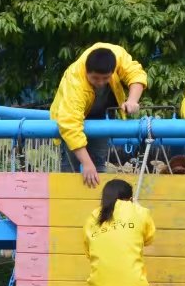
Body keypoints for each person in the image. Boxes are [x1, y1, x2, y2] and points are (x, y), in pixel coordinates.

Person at [50, 43, 148, 188]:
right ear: (86, 71)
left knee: (99, 164)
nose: (101, 82)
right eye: (95, 78)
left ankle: (99, 199)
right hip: (73, 118)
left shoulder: (117, 55)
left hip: (102, 117)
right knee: (72, 169)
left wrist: (132, 100)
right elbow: (70, 125)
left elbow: (136, 73)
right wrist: (87, 163)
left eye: (106, 78)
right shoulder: (75, 82)